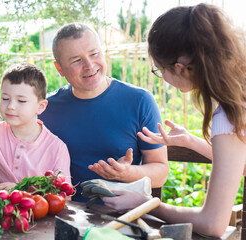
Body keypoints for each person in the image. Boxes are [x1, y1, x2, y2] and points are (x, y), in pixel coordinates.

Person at [102, 3, 246, 237]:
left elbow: (212, 223)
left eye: (159, 69)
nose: (163, 78)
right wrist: (191, 141)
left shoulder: (229, 114)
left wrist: (147, 203)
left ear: (180, 68)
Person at [39, 23, 168, 202]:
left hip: (122, 217)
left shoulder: (140, 101)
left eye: (94, 54)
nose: (89, 65)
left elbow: (160, 173)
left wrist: (127, 173)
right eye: (77, 60)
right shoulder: (45, 109)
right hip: (63, 216)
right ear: (59, 69)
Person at [0, 63, 71, 189]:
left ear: (41, 107)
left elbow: (64, 196)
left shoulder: (57, 149)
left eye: (21, 101)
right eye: (5, 98)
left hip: (36, 207)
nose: (11, 106)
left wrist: (23, 192)